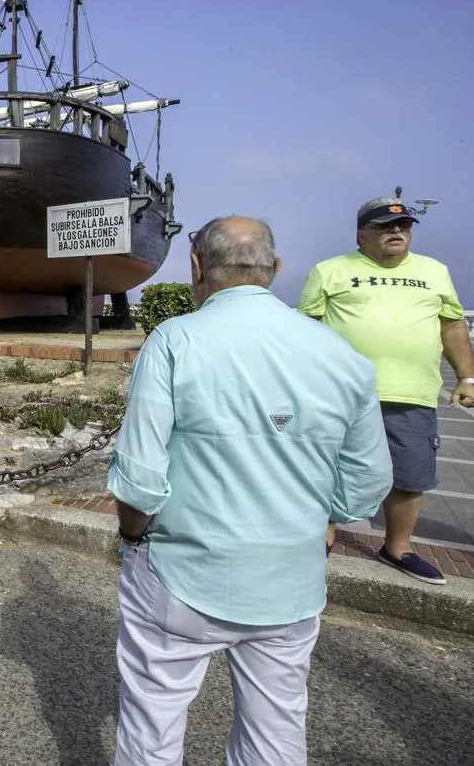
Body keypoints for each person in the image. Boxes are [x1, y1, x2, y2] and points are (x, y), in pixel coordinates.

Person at [108, 217, 391, 765]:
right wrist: (321, 518)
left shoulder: (175, 340)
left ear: (195, 267)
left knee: (152, 727)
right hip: (290, 580)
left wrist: (132, 538)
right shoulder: (342, 355)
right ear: (276, 269)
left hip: (182, 572)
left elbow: (140, 479)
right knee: (276, 731)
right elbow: (366, 485)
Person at [299, 196, 474, 584]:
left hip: (411, 394)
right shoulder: (330, 270)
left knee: (411, 475)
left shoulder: (435, 271)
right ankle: (323, 536)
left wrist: (467, 377)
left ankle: (398, 547)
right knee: (327, 467)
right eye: (384, 226)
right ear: (361, 235)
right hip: (340, 394)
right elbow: (306, 328)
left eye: (403, 226)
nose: (396, 231)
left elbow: (452, 326)